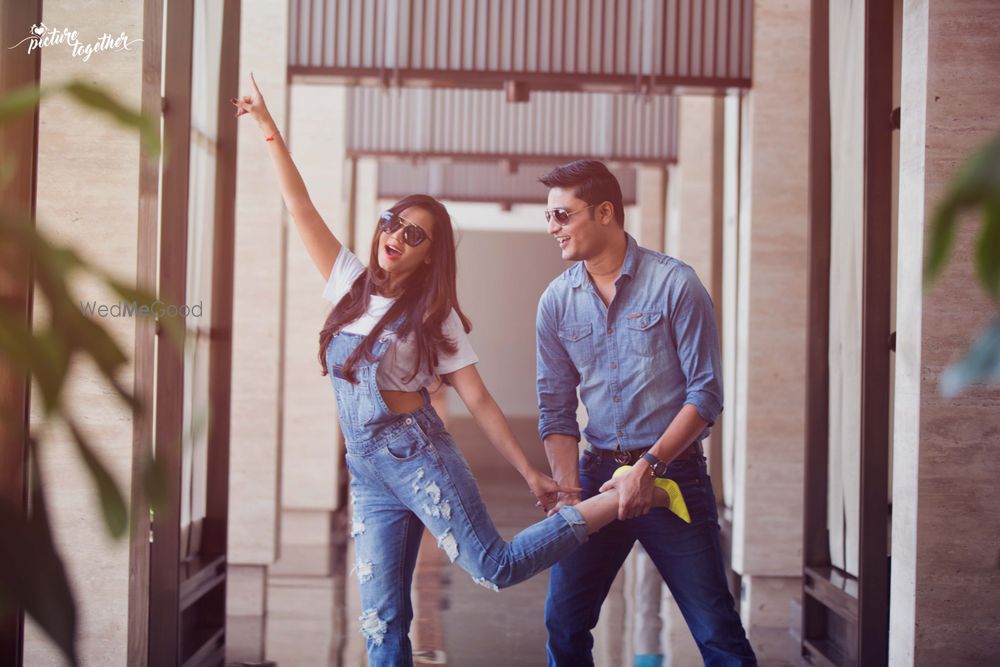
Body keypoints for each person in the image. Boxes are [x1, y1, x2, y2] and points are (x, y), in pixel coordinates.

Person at [231, 76, 679, 667]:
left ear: (427, 254)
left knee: (494, 567)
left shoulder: (436, 319)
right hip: (366, 471)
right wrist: (268, 127)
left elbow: (482, 401)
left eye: (413, 233)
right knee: (381, 621)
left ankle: (619, 495)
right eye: (393, 221)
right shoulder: (347, 283)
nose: (395, 235)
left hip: (417, 456)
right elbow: (300, 203)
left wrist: (529, 473)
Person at [535, 160, 758, 666]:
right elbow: (555, 410)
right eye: (549, 217)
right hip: (596, 480)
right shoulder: (555, 303)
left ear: (605, 211)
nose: (553, 228)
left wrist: (648, 469)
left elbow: (705, 395)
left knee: (716, 631)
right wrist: (571, 498)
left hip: (672, 478)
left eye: (563, 216)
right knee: (564, 624)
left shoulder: (676, 285)